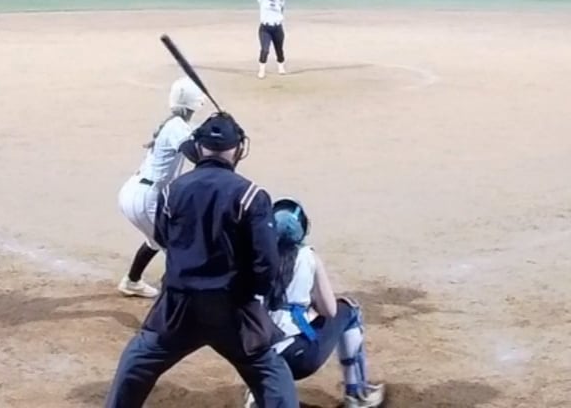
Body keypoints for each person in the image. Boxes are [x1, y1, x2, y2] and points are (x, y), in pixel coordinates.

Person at [102, 113, 297, 408]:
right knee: (271, 373)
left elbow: (163, 238)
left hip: (178, 307)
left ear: (198, 147)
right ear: (239, 149)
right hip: (232, 307)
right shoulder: (251, 195)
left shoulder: (172, 191)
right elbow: (266, 264)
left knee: (137, 362)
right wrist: (253, 299)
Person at [243, 197, 386, 408]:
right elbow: (329, 310)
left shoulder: (255, 257)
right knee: (349, 309)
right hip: (300, 357)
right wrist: (309, 310)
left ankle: (258, 394)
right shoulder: (308, 256)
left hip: (257, 358)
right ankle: (356, 394)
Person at [116, 77, 206, 298]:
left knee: (155, 241)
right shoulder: (177, 127)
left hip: (137, 192)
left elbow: (198, 133)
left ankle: (132, 281)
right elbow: (195, 154)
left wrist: (221, 123)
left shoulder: (174, 124)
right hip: (145, 197)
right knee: (178, 250)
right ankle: (171, 304)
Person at [255, 0, 287, 80]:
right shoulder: (263, 0)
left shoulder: (280, 2)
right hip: (265, 29)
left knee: (279, 49)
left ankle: (281, 67)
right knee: (265, 49)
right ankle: (261, 70)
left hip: (277, 28)